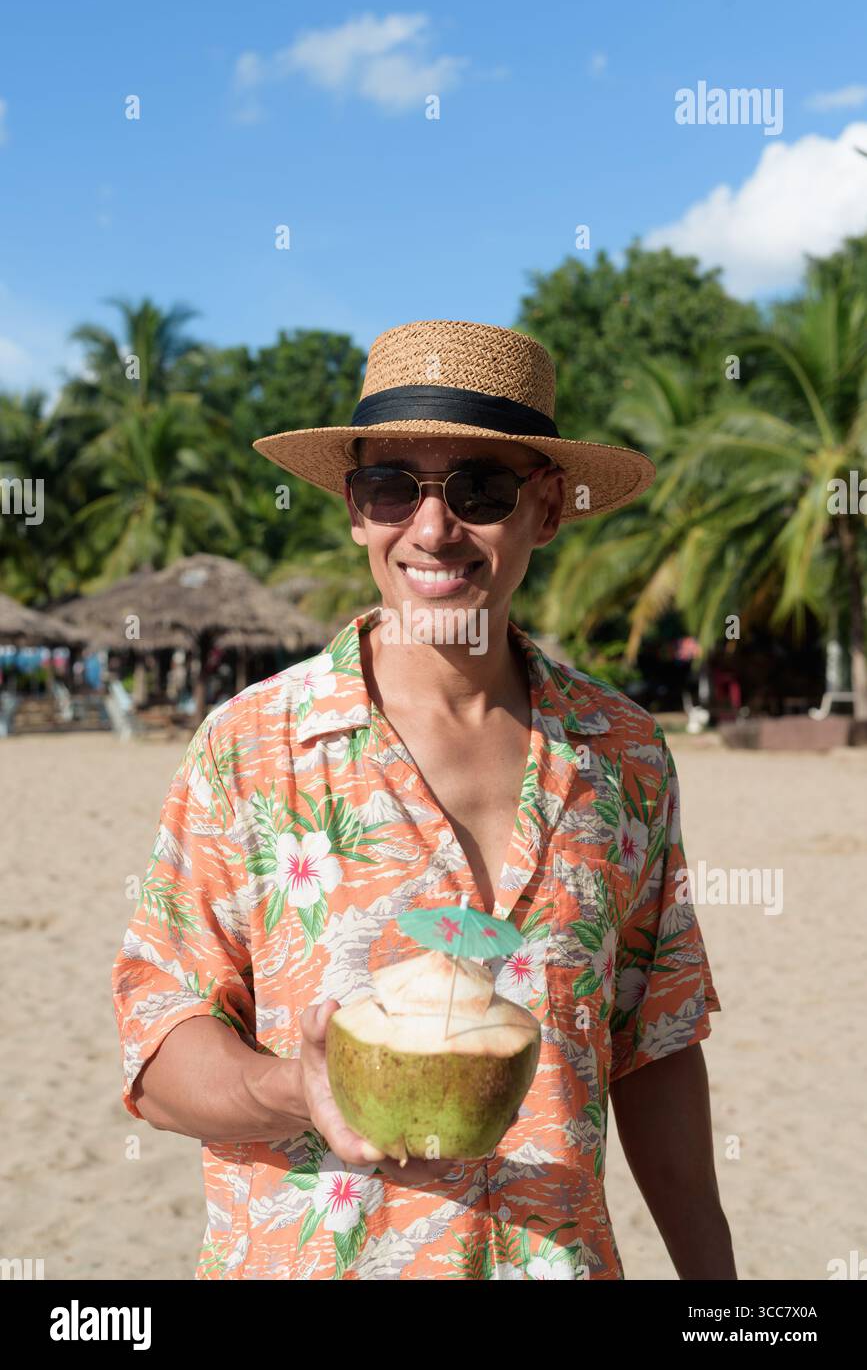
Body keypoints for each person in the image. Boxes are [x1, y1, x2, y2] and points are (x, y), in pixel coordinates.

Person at [111, 319, 734, 1280]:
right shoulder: (250, 746)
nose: (433, 529)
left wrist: (718, 1292)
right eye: (391, 486)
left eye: (479, 489)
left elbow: (650, 1042)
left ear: (548, 508)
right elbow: (158, 1050)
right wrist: (292, 1090)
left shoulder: (625, 756)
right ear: (356, 510)